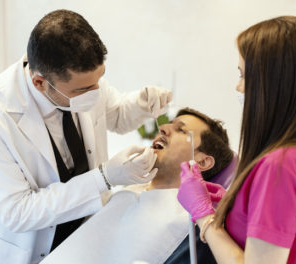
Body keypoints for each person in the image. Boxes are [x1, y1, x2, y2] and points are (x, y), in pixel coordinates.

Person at [0, 9, 172, 264]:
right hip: (33, 251)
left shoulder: (81, 79)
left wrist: (141, 103)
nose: (96, 92)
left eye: (99, 80)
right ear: (40, 82)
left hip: (88, 240)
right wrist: (105, 177)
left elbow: (114, 114)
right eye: (84, 89)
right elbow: (17, 212)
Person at [177, 16, 296, 264]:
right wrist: (237, 206)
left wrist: (204, 216)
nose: (238, 87)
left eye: (243, 75)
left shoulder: (281, 167)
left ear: (272, 84)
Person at [40, 108, 235, 264]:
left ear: (202, 162)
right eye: (169, 124)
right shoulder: (126, 192)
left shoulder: (191, 226)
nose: (164, 128)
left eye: (181, 130)